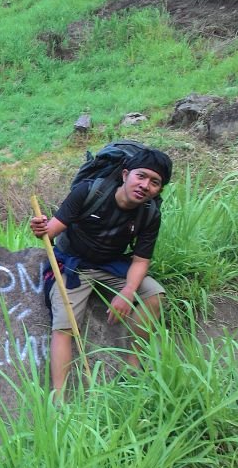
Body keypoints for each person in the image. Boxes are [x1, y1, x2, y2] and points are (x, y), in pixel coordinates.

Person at [30, 148, 173, 394]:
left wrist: (128, 291)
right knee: (64, 325)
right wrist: (40, 227)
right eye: (141, 176)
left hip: (112, 264)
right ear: (126, 174)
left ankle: (132, 367)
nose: (145, 185)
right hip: (74, 262)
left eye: (154, 182)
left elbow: (140, 260)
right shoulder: (89, 191)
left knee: (154, 296)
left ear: (159, 189)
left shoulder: (150, 214)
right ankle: (59, 397)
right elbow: (52, 230)